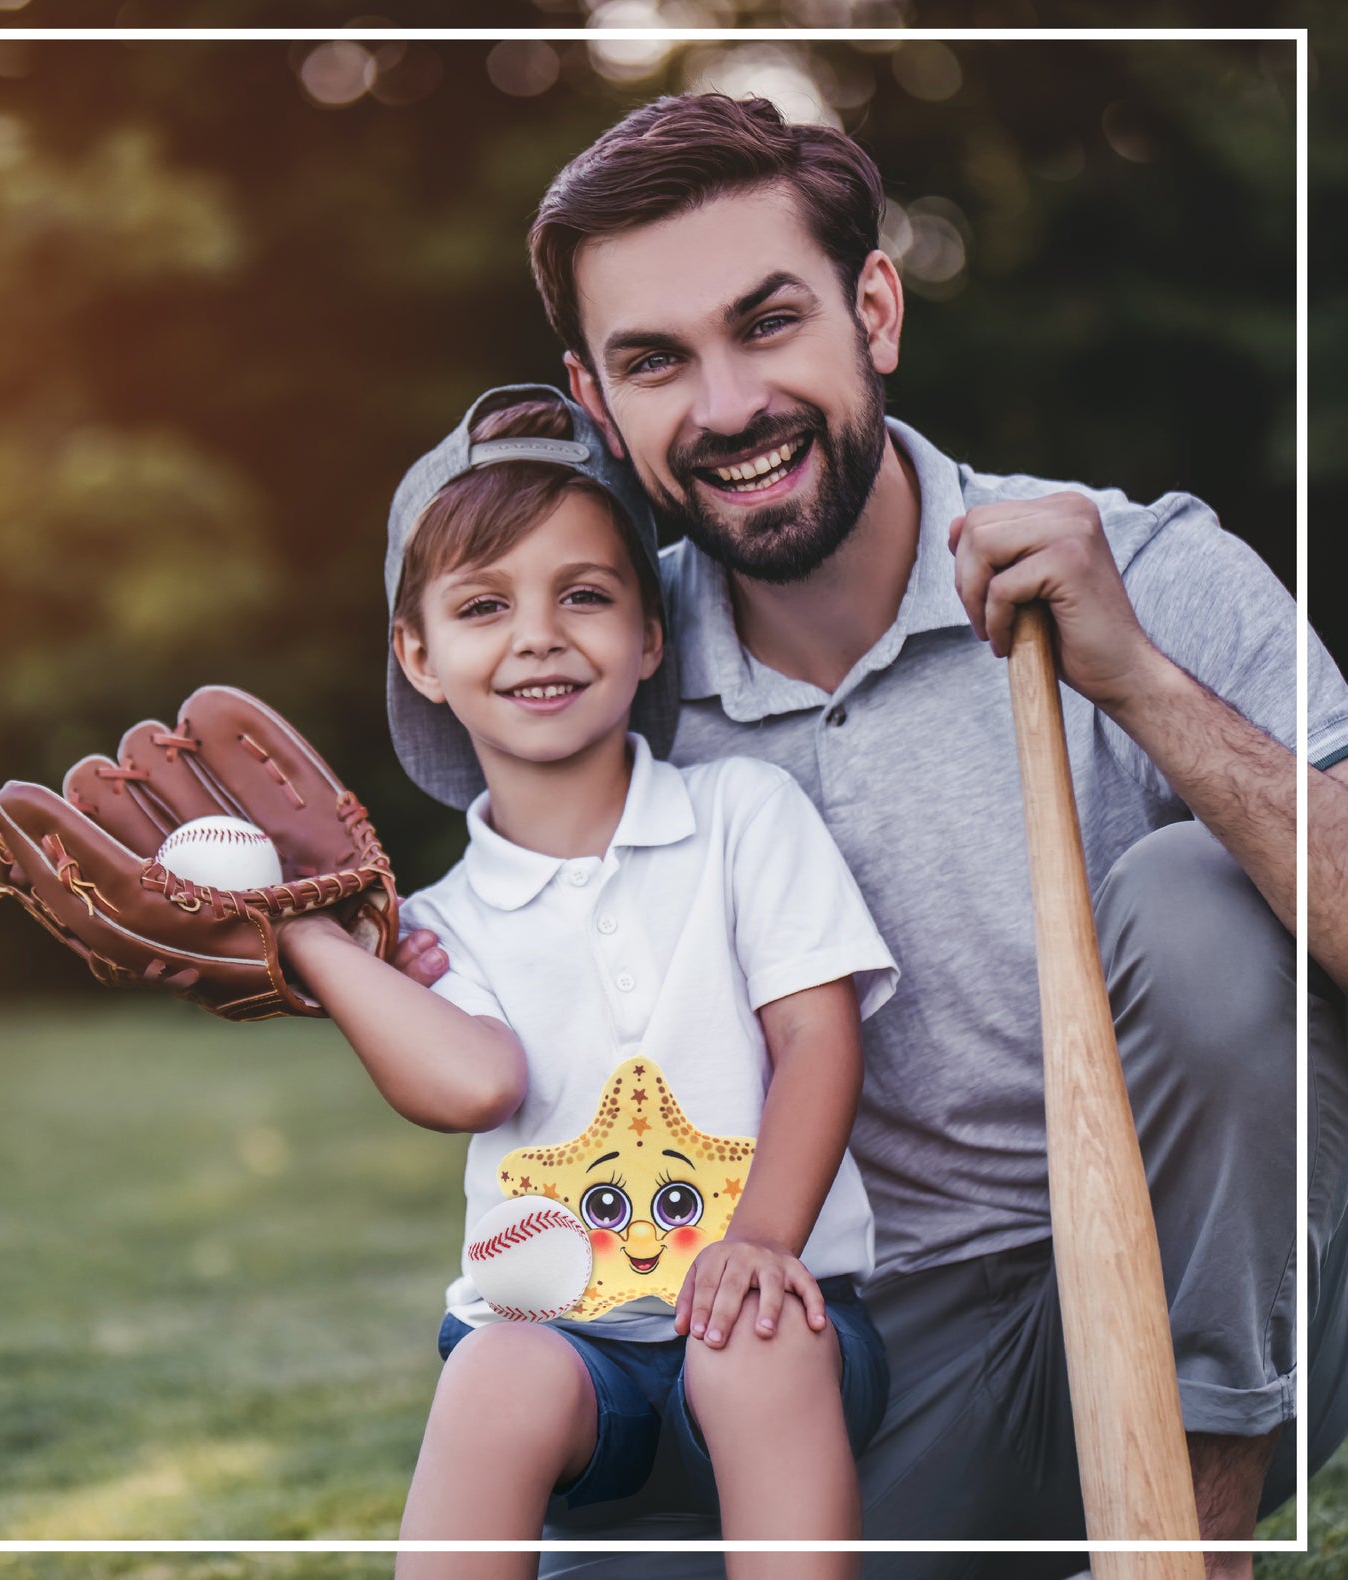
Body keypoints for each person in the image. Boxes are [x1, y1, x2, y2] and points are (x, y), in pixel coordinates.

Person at [391, 94, 1348, 1578]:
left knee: (1194, 903)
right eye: (655, 361)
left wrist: (1142, 684)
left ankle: (1179, 1555)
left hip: (1230, 1289)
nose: (723, 407)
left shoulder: (1143, 566)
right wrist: (290, 937)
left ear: (875, 307)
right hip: (870, 1348)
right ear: (595, 396)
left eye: (767, 323)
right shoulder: (601, 665)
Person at [281, 384, 900, 1579]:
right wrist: (313, 940)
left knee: (753, 1336)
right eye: (479, 605)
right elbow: (472, 1082)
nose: (537, 635)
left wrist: (759, 1239)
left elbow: (818, 1041)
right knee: (496, 1367)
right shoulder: (435, 926)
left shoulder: (740, 816)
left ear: (649, 631)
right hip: (570, 1366)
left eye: (583, 594)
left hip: (779, 1325)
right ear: (417, 653)